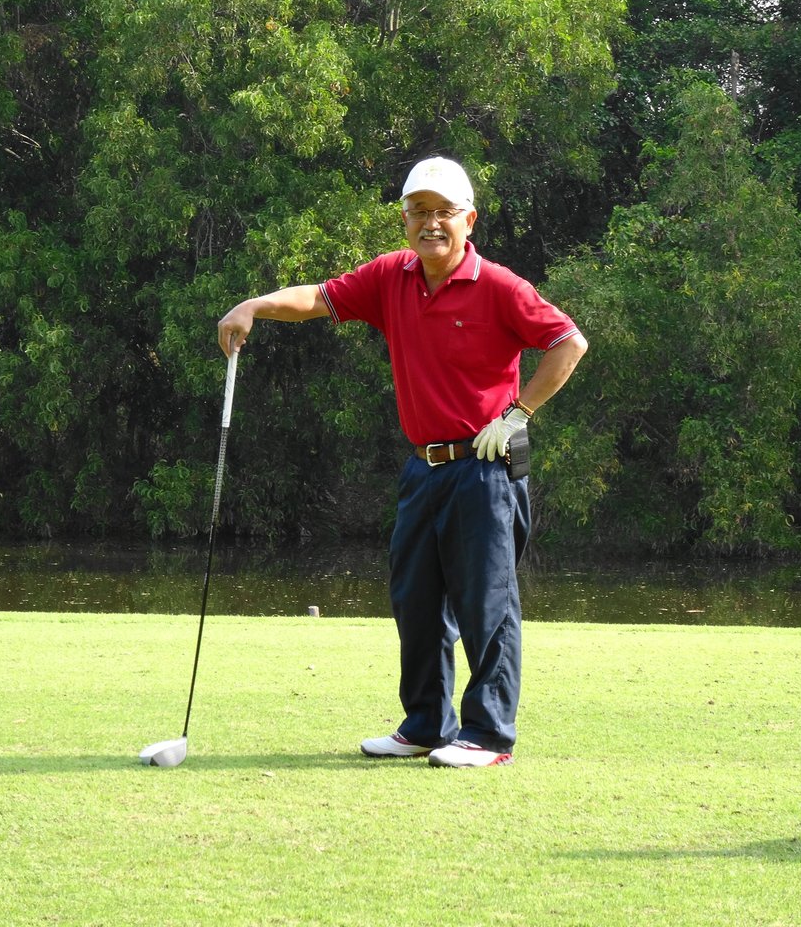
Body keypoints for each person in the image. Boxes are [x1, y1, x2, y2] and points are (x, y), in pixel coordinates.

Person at [216, 156, 587, 767]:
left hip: (485, 469)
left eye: (444, 212)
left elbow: (568, 342)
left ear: (469, 220)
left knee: (486, 606)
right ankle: (426, 726)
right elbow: (317, 299)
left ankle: (488, 736)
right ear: (405, 219)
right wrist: (254, 305)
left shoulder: (499, 285)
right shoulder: (392, 276)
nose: (430, 223)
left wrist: (517, 414)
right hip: (423, 468)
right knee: (416, 602)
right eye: (419, 211)